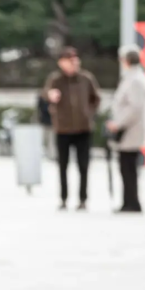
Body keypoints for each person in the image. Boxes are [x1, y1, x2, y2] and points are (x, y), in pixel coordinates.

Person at [43, 47, 101, 211]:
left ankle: (83, 198)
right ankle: (63, 198)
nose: (73, 64)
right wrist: (50, 95)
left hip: (83, 128)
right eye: (69, 61)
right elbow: (45, 93)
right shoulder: (55, 79)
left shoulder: (86, 78)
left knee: (84, 165)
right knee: (62, 165)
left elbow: (96, 98)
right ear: (62, 63)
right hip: (62, 129)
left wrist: (89, 114)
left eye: (75, 60)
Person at [107, 45, 145, 213]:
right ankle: (129, 201)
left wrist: (118, 123)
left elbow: (134, 107)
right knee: (126, 168)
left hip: (130, 130)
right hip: (128, 130)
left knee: (129, 168)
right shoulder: (133, 78)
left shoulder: (136, 80)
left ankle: (132, 202)